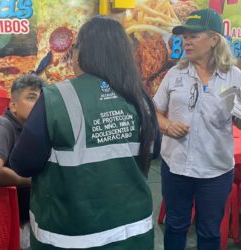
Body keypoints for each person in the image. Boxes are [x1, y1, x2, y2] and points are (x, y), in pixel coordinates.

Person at [9, 15, 158, 249]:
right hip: (133, 233)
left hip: (70, 235)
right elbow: (152, 152)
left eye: (76, 46)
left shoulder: (56, 98)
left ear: (83, 52)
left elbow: (22, 164)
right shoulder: (140, 98)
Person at [153, 8, 241, 250]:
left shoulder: (233, 76)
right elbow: (153, 111)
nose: (186, 41)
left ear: (214, 39)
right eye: (184, 36)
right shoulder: (174, 74)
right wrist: (166, 126)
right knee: (175, 225)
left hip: (215, 171)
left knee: (209, 231)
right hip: (176, 167)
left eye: (194, 36)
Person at [0, 74, 44, 249]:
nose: (39, 105)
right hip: (8, 221)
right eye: (31, 97)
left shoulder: (28, 130)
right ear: (13, 105)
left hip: (25, 212)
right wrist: (32, 181)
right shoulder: (1, 126)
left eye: (41, 100)